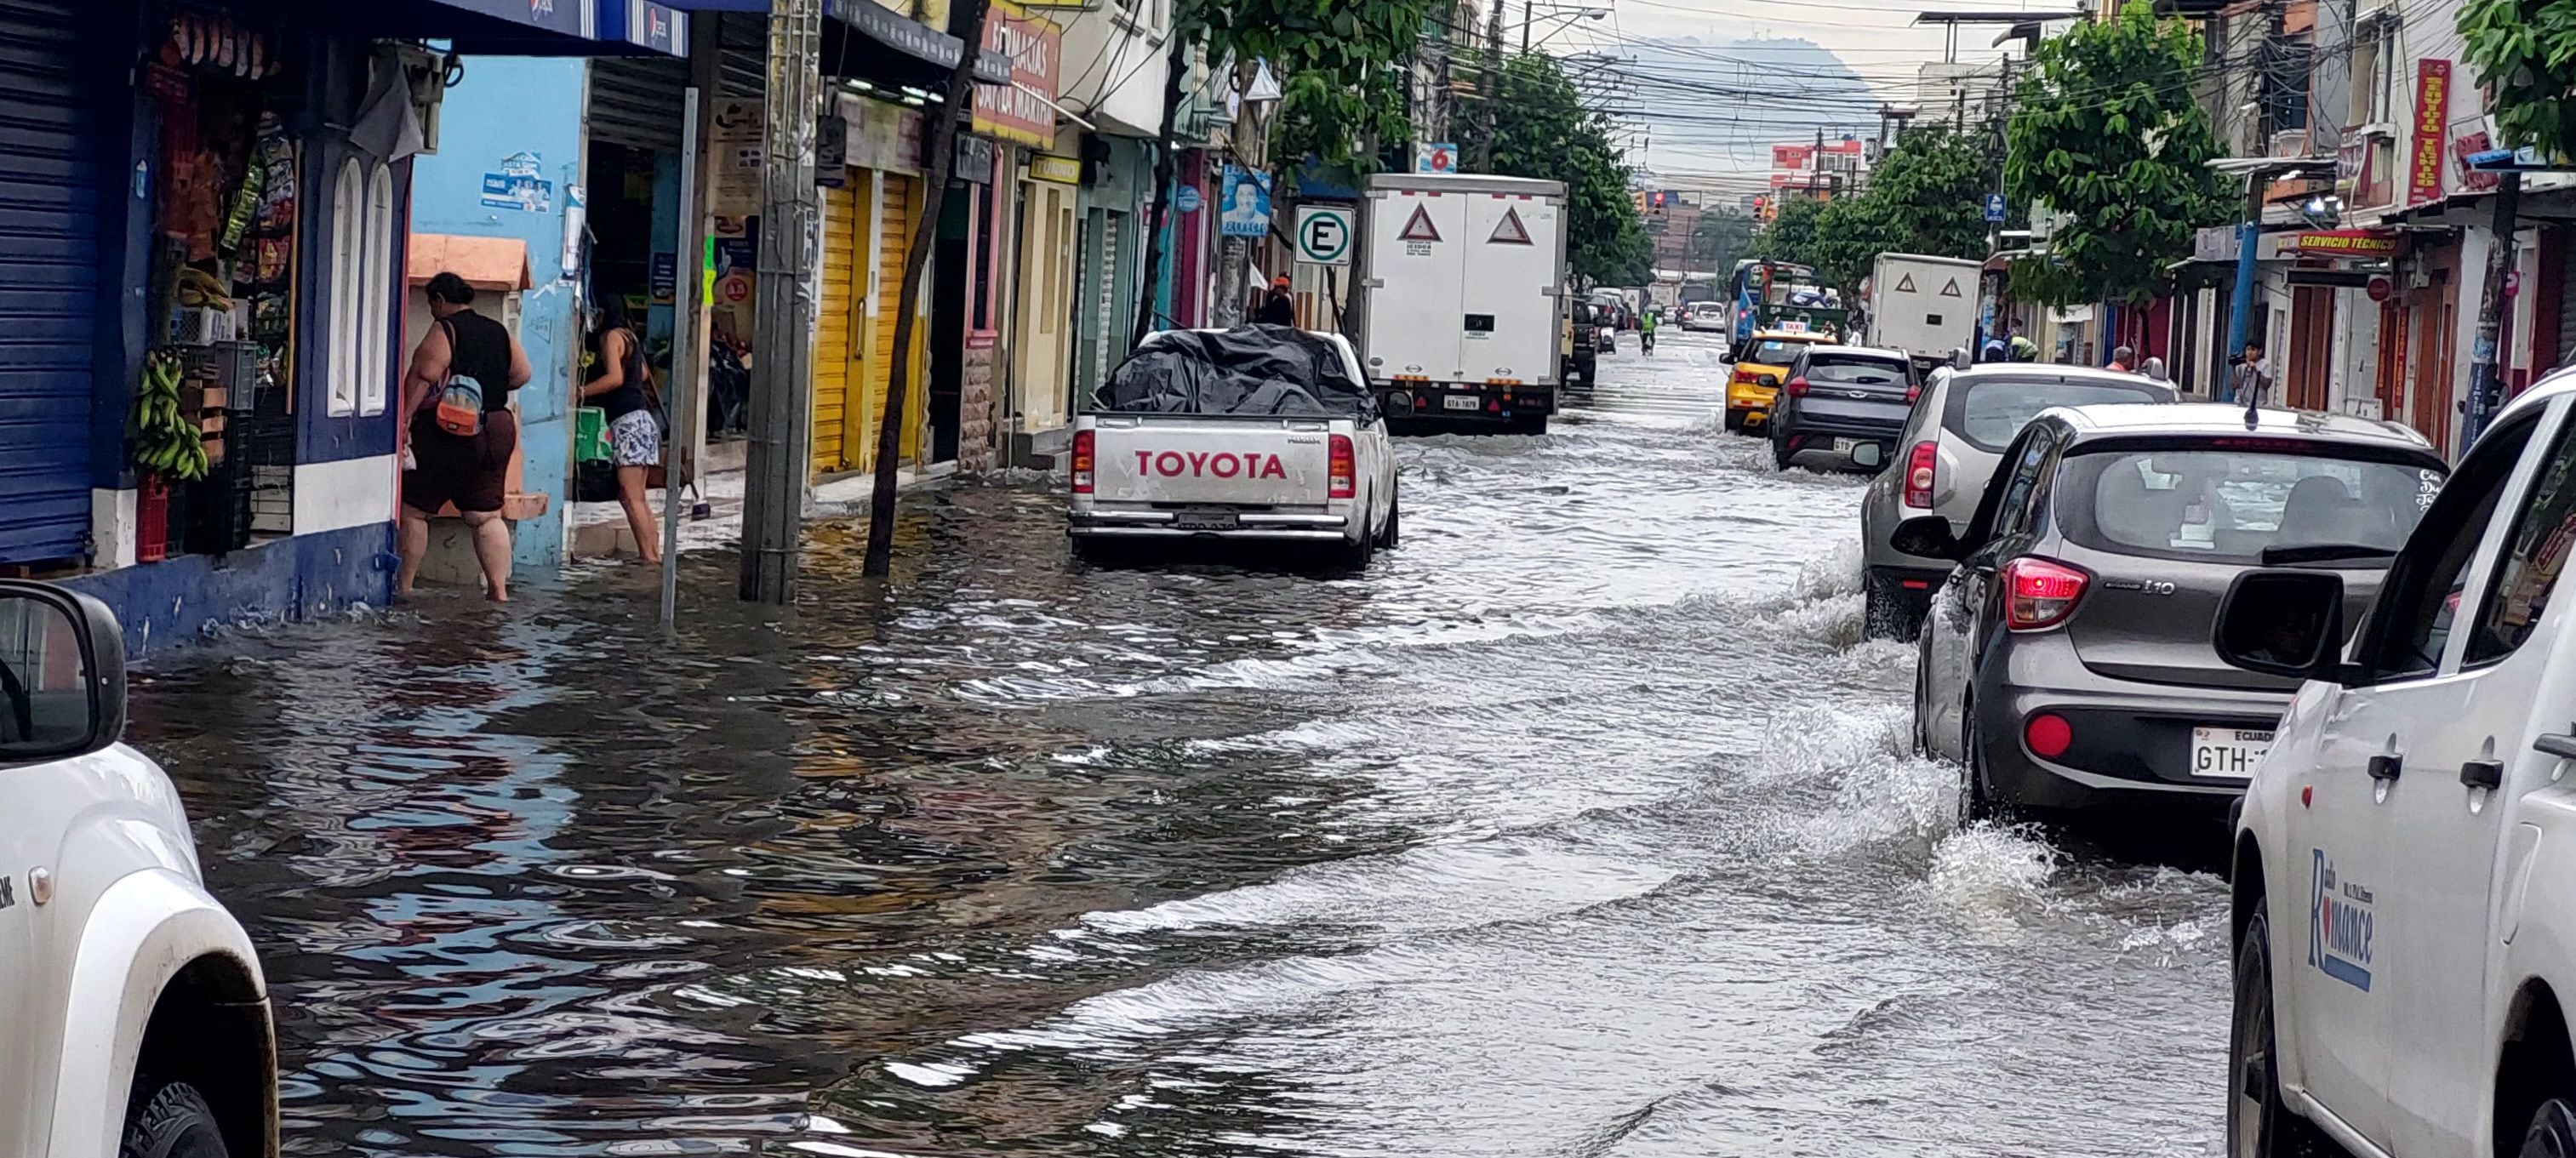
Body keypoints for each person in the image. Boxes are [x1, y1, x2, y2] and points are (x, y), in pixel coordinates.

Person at [400, 272, 533, 602]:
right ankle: (498, 591)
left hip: (453, 428)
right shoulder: (498, 331)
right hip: (499, 426)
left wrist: (404, 421)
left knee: (414, 509)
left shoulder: (445, 328)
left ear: (440, 300)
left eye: (432, 303)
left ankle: (403, 587)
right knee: (485, 515)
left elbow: (423, 374)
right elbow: (522, 374)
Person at [581, 294, 662, 567]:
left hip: (627, 422)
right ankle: (653, 555)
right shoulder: (630, 337)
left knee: (630, 496)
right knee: (638, 497)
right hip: (642, 422)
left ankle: (648, 557)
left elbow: (615, 378)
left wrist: (580, 392)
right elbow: (640, 374)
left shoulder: (612, 337)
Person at [2230, 339, 2271, 406]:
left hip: (2259, 404)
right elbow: (2234, 385)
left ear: (2260, 352)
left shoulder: (2266, 364)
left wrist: (2255, 369)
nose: (2250, 352)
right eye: (2248, 349)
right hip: (2241, 403)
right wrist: (2233, 367)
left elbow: (2266, 384)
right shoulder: (2240, 366)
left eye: (2253, 350)